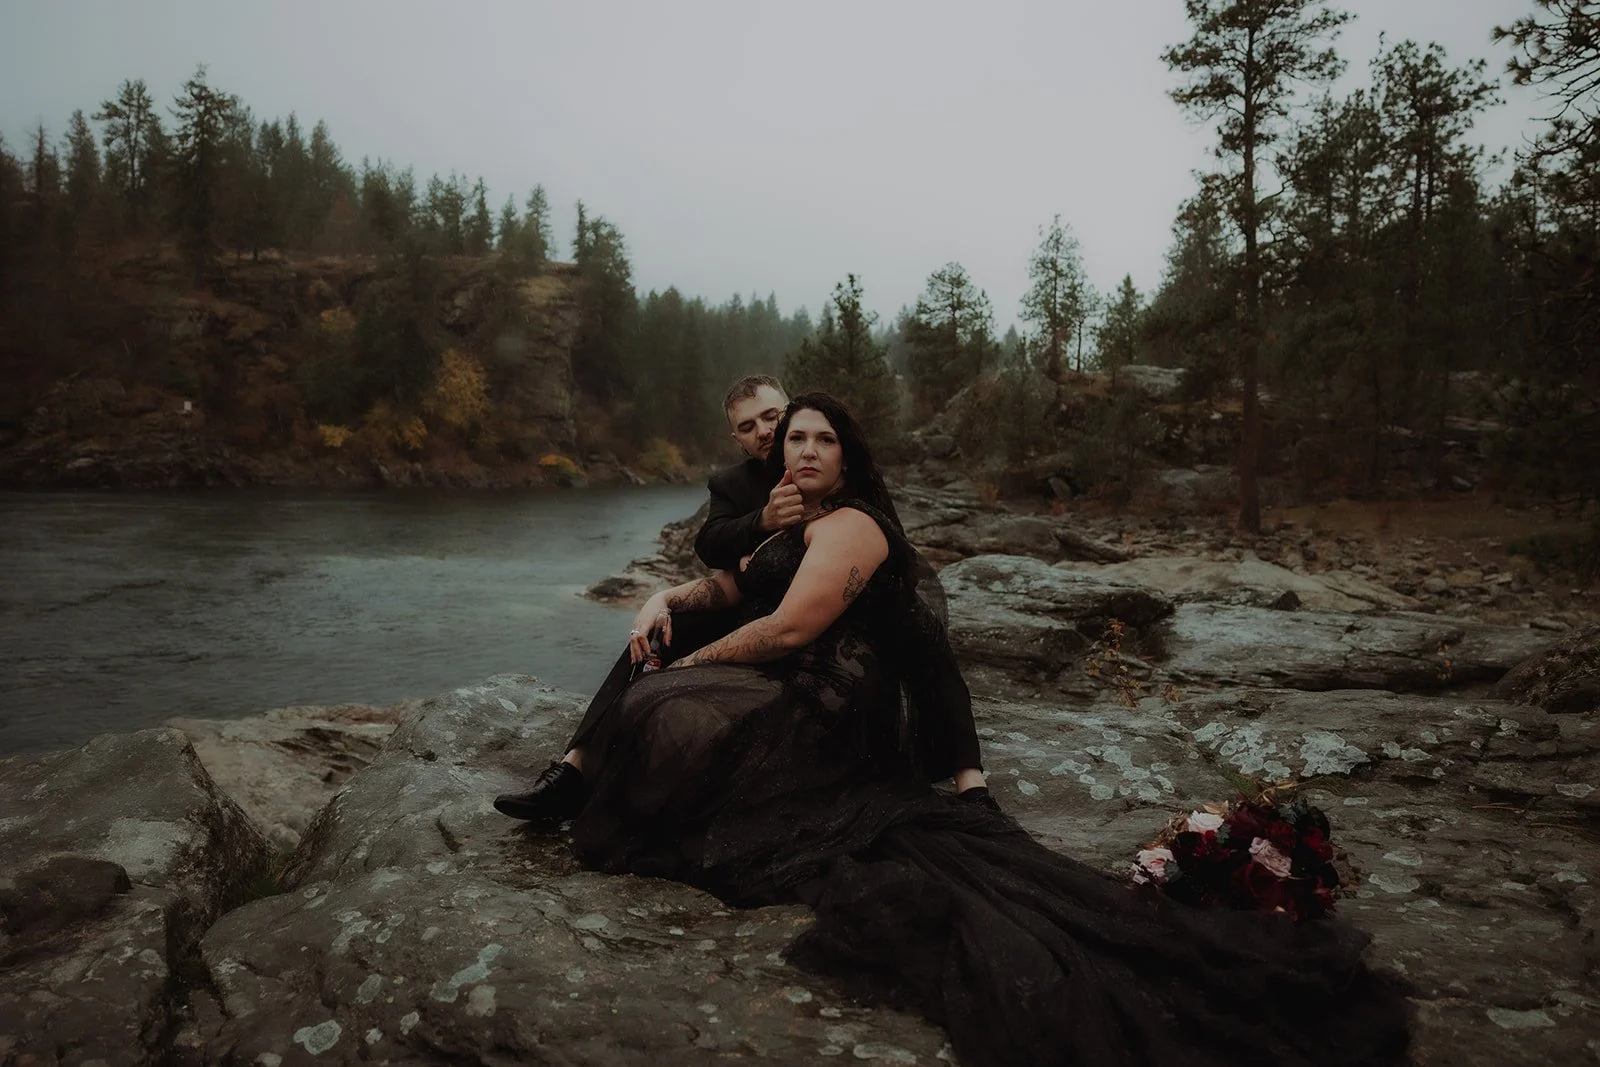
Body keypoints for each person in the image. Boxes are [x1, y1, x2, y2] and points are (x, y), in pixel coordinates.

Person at [522, 393, 1410, 1067]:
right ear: (774, 450)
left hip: (836, 711)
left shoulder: (855, 527)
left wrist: (686, 669)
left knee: (671, 706)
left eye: (823, 439)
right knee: (661, 694)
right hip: (795, 681)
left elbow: (790, 628)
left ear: (848, 455)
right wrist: (663, 601)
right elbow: (732, 587)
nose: (804, 448)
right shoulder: (793, 517)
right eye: (793, 437)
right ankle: (606, 771)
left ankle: (648, 784)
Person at [494, 378, 986, 824]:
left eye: (774, 419)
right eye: (749, 427)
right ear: (737, 437)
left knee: (925, 639)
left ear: (791, 412)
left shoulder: (840, 485)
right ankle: (573, 768)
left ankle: (970, 777)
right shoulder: (737, 484)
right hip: (750, 608)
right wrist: (672, 589)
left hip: (839, 629)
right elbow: (713, 548)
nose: (766, 433)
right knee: (655, 637)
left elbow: (881, 558)